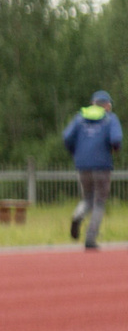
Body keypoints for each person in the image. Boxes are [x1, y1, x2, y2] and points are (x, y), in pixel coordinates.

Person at [64, 90, 119, 250]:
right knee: (99, 202)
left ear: (93, 104)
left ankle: (78, 215)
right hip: (102, 166)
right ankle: (90, 238)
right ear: (107, 105)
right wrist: (114, 149)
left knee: (87, 198)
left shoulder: (79, 117)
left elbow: (67, 137)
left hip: (82, 165)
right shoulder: (110, 119)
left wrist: (75, 152)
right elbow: (116, 139)